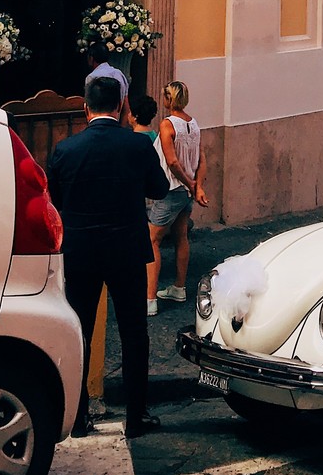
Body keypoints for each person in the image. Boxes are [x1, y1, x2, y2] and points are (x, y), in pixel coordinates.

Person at [47, 75, 169, 439]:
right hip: (126, 249)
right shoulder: (136, 147)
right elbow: (159, 188)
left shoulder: (66, 150)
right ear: (121, 107)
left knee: (79, 332)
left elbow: (56, 198)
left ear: (86, 108)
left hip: (81, 251)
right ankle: (136, 416)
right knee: (134, 332)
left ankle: (80, 416)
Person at [147, 80, 207, 314]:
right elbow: (202, 160)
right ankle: (178, 287)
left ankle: (150, 298)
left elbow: (172, 161)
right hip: (186, 192)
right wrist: (196, 186)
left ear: (168, 99)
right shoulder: (194, 124)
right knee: (181, 235)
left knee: (152, 240)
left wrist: (188, 182)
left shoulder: (167, 125)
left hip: (171, 189)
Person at [85, 41, 129, 121]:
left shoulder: (92, 77)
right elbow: (126, 106)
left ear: (91, 58)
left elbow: (90, 105)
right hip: (117, 123)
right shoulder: (119, 73)